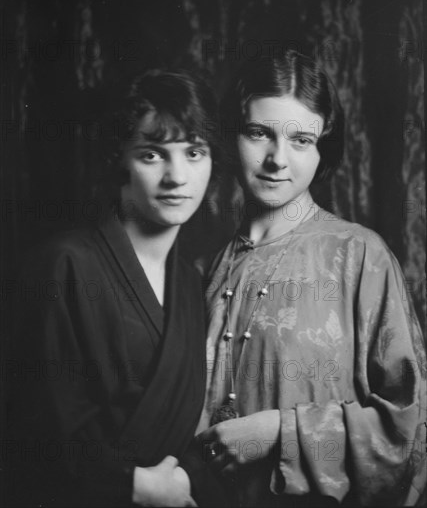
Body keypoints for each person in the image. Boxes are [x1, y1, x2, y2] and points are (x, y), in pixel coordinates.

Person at [196, 52, 426, 507]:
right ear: (231, 135)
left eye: (301, 139)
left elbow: (413, 427)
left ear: (323, 150)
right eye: (258, 132)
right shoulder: (210, 265)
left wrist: (280, 433)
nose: (277, 159)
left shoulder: (359, 255)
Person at [7, 68, 226, 507]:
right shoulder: (63, 265)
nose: (177, 177)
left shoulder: (191, 282)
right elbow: (31, 433)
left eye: (194, 153)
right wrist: (137, 486)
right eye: (152, 155)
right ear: (119, 158)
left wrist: (184, 483)